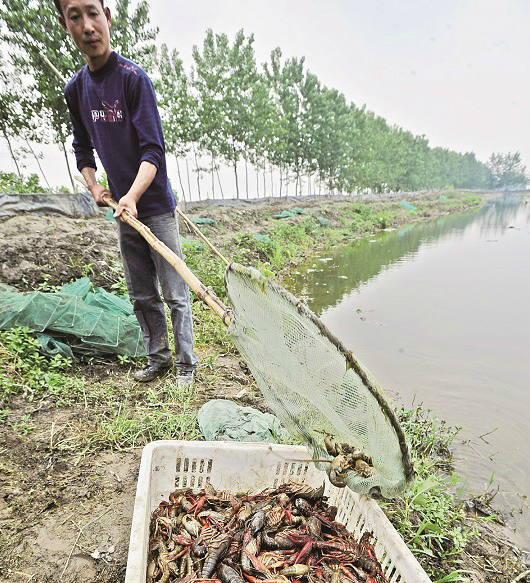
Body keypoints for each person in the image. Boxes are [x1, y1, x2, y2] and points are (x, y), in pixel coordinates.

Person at [55, 0, 198, 383]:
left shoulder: (134, 79)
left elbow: (153, 151)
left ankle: (186, 364)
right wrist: (94, 185)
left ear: (108, 18)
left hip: (153, 206)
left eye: (93, 13)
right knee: (140, 293)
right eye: (75, 17)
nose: (87, 26)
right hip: (122, 209)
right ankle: (159, 358)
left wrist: (133, 196)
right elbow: (81, 149)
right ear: (65, 25)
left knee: (174, 292)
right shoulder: (76, 90)